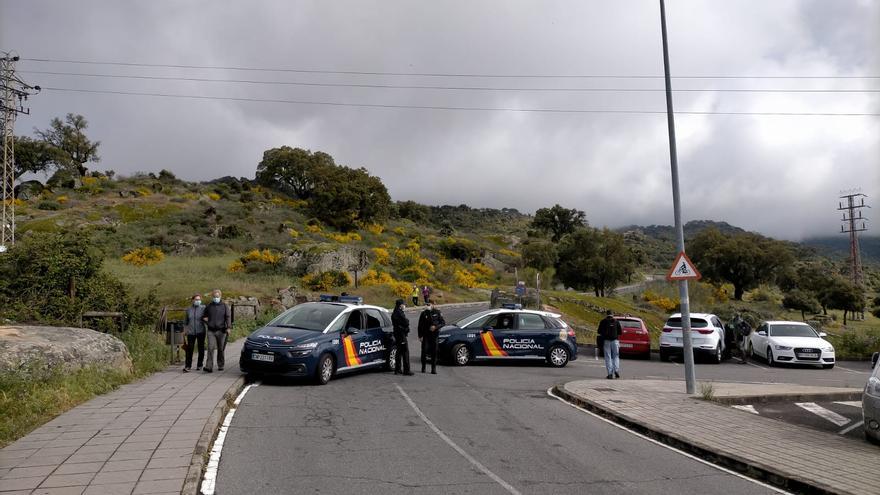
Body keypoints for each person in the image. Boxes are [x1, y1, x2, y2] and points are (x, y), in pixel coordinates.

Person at [202, 289, 231, 373]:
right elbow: (204, 316)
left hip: (221, 331)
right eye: (214, 297)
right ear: (212, 297)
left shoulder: (224, 306)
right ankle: (209, 366)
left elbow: (228, 317)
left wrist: (228, 327)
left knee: (220, 349)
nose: (215, 298)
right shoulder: (209, 306)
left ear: (220, 296)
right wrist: (206, 321)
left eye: (217, 297)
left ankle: (220, 364)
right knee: (210, 348)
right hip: (211, 331)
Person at [418, 300, 445, 374]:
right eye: (427, 304)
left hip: (434, 335)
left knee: (434, 352)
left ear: (433, 304)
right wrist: (420, 336)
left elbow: (443, 323)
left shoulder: (437, 312)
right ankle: (423, 367)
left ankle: (433, 369)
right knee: (424, 351)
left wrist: (436, 327)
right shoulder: (423, 313)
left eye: (429, 304)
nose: (428, 305)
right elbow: (420, 325)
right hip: (426, 335)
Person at [183, 294, 206, 372]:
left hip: (201, 331)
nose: (197, 301)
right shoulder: (189, 309)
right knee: (190, 349)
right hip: (191, 332)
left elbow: (208, 318)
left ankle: (200, 365)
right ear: (192, 300)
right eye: (196, 299)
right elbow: (186, 321)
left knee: (201, 348)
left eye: (199, 299)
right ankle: (188, 366)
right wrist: (185, 330)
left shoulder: (203, 308)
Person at [597, 310, 622, 379]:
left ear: (606, 314)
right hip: (615, 341)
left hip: (607, 341)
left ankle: (610, 374)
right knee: (616, 356)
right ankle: (616, 370)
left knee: (608, 357)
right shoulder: (616, 322)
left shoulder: (603, 321)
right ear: (612, 314)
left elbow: (599, 331)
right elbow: (620, 332)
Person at [391, 299, 413, 375]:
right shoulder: (399, 313)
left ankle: (397, 369)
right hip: (401, 335)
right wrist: (407, 322)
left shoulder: (395, 312)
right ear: (400, 305)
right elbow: (406, 322)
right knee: (405, 352)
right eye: (403, 304)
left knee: (399, 352)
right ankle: (406, 370)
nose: (404, 306)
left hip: (397, 334)